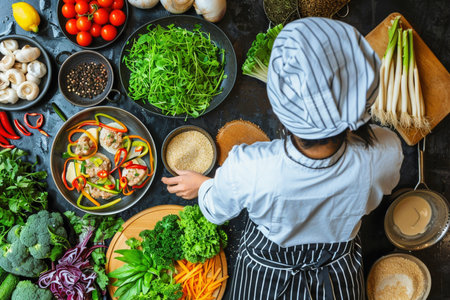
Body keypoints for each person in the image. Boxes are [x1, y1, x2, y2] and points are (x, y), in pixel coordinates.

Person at [162, 17, 403, 300]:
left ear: (280, 108)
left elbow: (216, 210)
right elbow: (387, 184)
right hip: (337, 262)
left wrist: (204, 186)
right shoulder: (384, 151)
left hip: (267, 261)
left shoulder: (249, 168)